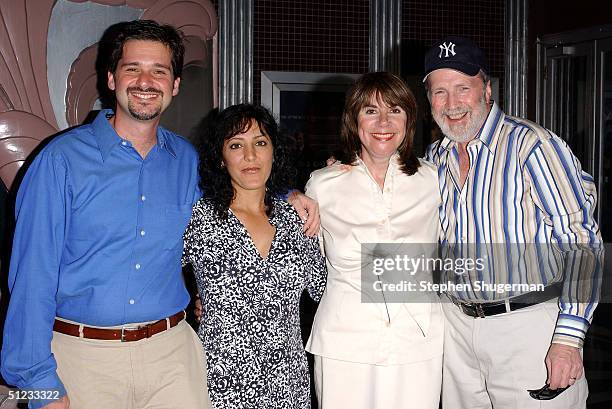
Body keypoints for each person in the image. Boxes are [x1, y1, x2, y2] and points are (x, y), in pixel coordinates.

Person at [0, 20, 213, 409]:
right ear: (112, 79)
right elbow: (32, 277)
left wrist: (295, 194)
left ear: (175, 85)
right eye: (133, 68)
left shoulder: (189, 161)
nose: (145, 81)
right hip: (80, 360)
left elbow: (244, 192)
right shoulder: (59, 161)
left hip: (173, 359)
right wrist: (39, 384)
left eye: (159, 71)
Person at [424, 36, 603, 408]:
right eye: (440, 92)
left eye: (463, 88)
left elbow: (583, 241)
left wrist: (569, 339)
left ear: (486, 89)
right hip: (456, 331)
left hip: (528, 328)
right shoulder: (434, 158)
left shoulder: (532, 146)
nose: (453, 104)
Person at [305, 72, 444, 409]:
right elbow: (305, 258)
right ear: (354, 119)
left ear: (409, 119)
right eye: (370, 111)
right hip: (346, 341)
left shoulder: (433, 178)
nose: (384, 121)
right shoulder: (322, 185)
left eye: (395, 110)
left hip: (418, 339)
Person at [182, 104, 327, 409]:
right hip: (218, 384)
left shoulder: (297, 220)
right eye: (236, 145)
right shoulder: (199, 218)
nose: (250, 156)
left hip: (287, 385)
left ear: (274, 151)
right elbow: (154, 277)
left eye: (260, 143)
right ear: (221, 159)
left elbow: (325, 289)